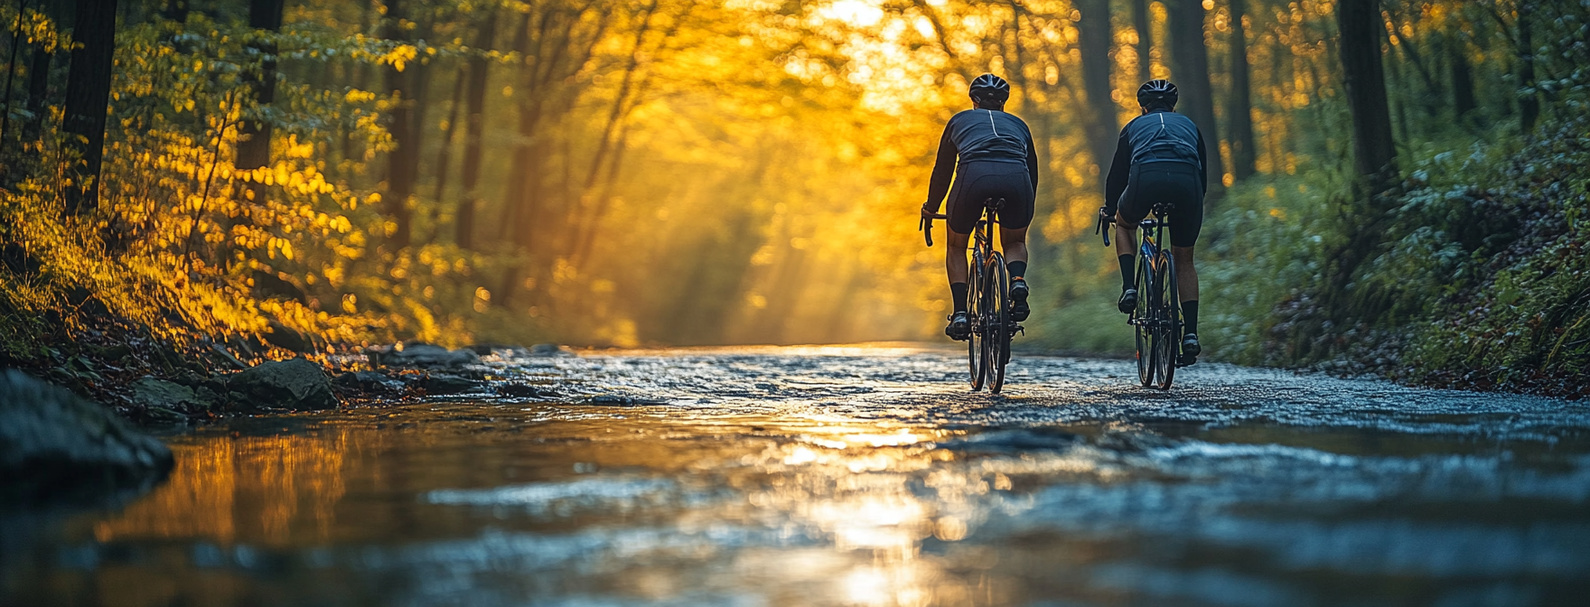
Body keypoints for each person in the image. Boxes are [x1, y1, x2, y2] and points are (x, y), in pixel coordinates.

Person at [921, 74, 1040, 340]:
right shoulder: (1019, 124)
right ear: (1003, 103)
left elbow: (943, 171)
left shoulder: (959, 120)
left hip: (973, 178)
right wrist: (1025, 205)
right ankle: (1017, 282)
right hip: (1017, 181)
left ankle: (961, 311)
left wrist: (931, 208)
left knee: (956, 246)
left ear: (973, 100)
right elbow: (1032, 171)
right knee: (1014, 242)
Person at [1101, 79, 1207, 362]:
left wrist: (1110, 208)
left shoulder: (1133, 126)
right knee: (1184, 259)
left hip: (1145, 178)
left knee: (1125, 224)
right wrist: (1194, 205)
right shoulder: (1189, 125)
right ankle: (1191, 333)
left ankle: (1129, 288)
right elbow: (1203, 172)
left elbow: (1117, 175)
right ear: (1173, 105)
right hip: (1188, 185)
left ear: (1142, 106)